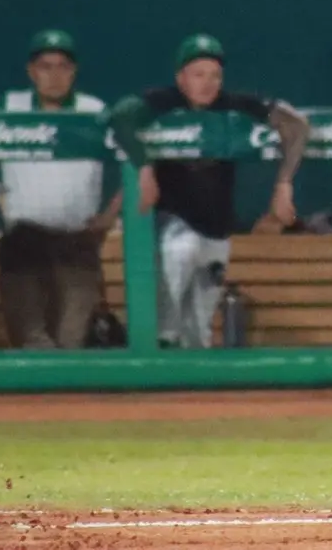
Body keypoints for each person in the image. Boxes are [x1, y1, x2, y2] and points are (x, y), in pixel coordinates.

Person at [106, 34, 310, 348]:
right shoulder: (164, 102)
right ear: (181, 77)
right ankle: (156, 362)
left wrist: (284, 184)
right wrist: (144, 166)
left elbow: (296, 126)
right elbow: (120, 115)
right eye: (198, 74)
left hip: (217, 232)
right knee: (178, 261)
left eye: (215, 75)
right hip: (173, 224)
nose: (208, 82)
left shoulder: (234, 106)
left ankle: (191, 393)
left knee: (198, 333)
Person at [0, 30, 122, 349]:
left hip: (77, 243)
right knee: (31, 340)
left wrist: (111, 215)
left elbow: (138, 155)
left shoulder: (94, 111)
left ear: (73, 72)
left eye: (62, 66)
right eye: (45, 66)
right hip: (24, 241)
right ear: (31, 71)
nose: (54, 75)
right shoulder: (9, 107)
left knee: (71, 343)